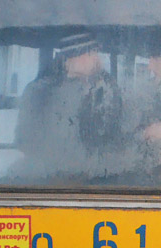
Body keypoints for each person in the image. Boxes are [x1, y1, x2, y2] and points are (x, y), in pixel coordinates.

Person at [10, 32, 120, 183]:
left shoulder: (105, 87)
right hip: (47, 182)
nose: (97, 58)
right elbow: (25, 141)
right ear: (79, 55)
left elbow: (113, 137)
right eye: (93, 52)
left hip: (97, 181)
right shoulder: (41, 91)